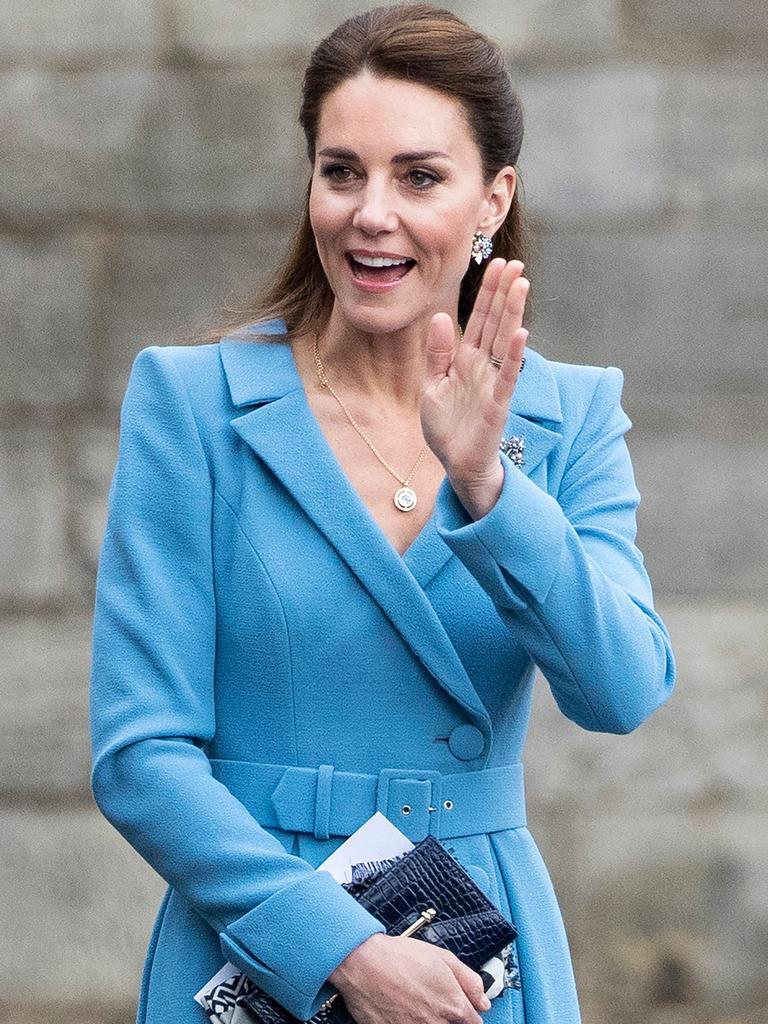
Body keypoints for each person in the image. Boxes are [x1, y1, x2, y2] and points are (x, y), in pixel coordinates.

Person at [88, 5, 676, 1024]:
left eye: (419, 176)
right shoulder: (193, 405)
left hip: (474, 952)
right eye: (342, 170)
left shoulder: (569, 415)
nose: (371, 212)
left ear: (493, 197)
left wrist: (491, 487)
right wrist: (342, 948)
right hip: (258, 938)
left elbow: (621, 688)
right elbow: (141, 758)